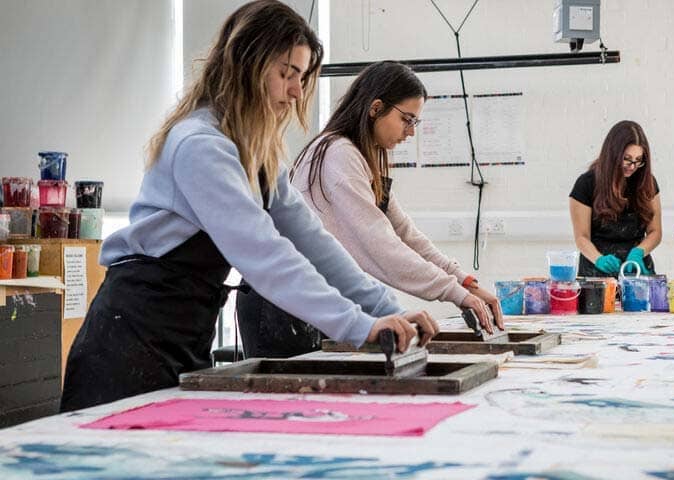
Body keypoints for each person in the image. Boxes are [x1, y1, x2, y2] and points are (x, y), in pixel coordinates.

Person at [60, 1, 438, 412]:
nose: (296, 91)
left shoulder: (254, 154)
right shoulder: (200, 146)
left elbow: (313, 240)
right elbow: (265, 255)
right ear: (248, 65)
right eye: (287, 73)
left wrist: (387, 310)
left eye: (301, 77)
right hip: (129, 338)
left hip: (184, 334)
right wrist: (358, 325)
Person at [236, 61, 502, 359]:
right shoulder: (338, 154)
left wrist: (465, 283)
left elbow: (405, 235)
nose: (410, 133)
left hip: (309, 298)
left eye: (415, 123)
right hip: (280, 306)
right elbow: (379, 245)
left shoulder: (362, 158)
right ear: (375, 107)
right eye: (407, 120)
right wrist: (454, 292)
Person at [568, 120, 662, 277]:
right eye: (627, 158)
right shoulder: (586, 184)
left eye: (638, 160)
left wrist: (639, 251)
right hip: (596, 272)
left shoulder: (647, 183)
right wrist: (599, 259)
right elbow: (581, 237)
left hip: (636, 269)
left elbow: (655, 232)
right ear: (613, 154)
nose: (632, 166)